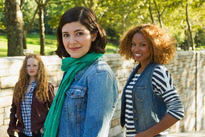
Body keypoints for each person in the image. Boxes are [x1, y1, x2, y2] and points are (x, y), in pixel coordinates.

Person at [43, 6, 118, 137]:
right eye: (66, 35)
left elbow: (95, 133)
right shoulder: (72, 69)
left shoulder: (99, 74)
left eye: (79, 33)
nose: (72, 42)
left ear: (93, 35)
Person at [118, 24, 184, 137]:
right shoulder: (137, 71)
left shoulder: (158, 72)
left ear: (155, 46)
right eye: (133, 44)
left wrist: (147, 134)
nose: (136, 49)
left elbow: (177, 109)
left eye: (142, 45)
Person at [7, 54, 55, 137]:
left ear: (39, 67)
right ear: (25, 67)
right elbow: (14, 108)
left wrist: (46, 127)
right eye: (28, 65)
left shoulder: (46, 86)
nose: (31, 68)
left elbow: (54, 110)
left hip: (39, 132)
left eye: (34, 65)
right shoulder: (19, 86)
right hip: (22, 132)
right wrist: (12, 126)